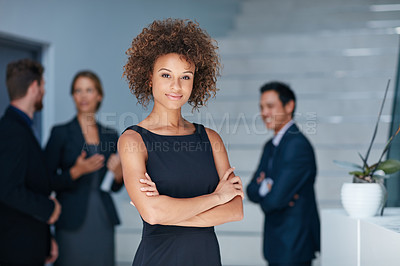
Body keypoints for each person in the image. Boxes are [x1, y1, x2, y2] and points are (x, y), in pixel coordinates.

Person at [118, 18, 244, 266]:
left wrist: (166, 212)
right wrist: (217, 198)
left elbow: (235, 210)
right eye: (166, 75)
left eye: (185, 77)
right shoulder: (133, 140)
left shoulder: (210, 138)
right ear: (149, 77)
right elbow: (152, 213)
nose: (176, 86)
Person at [44, 70, 123, 266]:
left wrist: (119, 175)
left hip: (103, 219)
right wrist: (75, 172)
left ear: (99, 95)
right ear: (73, 96)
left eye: (89, 90)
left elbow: (113, 187)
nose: (83, 96)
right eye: (78, 91)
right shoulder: (60, 133)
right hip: (71, 220)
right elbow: (44, 181)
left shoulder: (111, 135)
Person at [246, 82, 320, 266]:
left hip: (294, 244)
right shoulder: (270, 146)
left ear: (289, 106)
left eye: (270, 106)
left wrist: (267, 189)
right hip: (278, 243)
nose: (264, 113)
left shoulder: (297, 145)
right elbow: (251, 190)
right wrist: (267, 187)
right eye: (261, 107)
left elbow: (274, 201)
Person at [0, 58, 61, 265]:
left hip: (30, 242)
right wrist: (48, 208)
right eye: (43, 85)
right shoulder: (12, 131)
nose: (44, 90)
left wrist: (46, 239)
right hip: (15, 247)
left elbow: (30, 185)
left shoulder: (21, 128)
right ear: (34, 87)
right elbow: (7, 190)